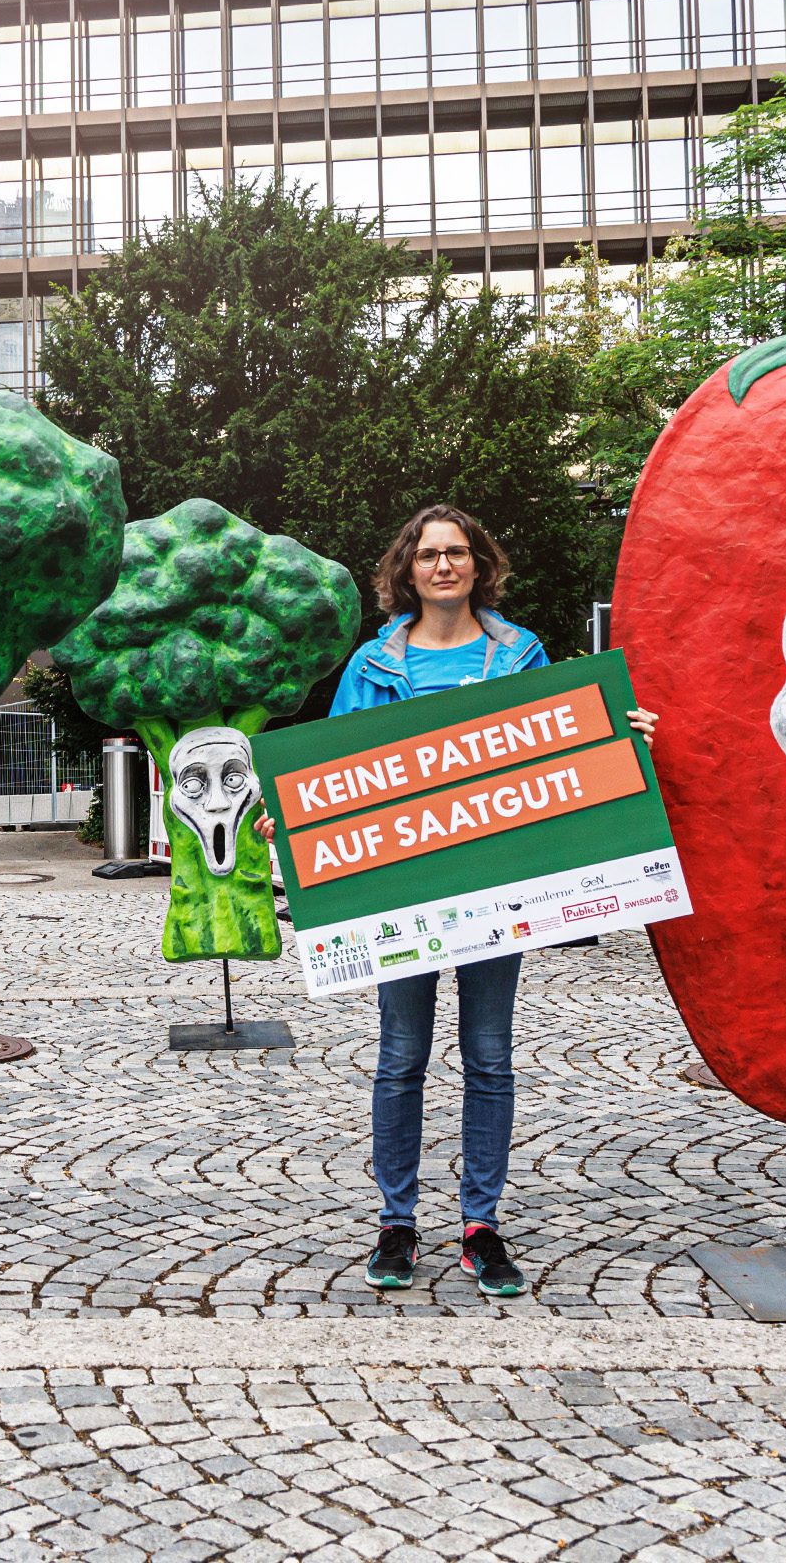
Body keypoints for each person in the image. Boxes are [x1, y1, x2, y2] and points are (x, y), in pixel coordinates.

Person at [277, 505, 653, 1300]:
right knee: (400, 1060)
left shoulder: (520, 655)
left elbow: (567, 747)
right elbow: (336, 779)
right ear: (406, 570)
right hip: (402, 896)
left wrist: (623, 735)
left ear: (480, 565)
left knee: (487, 1059)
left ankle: (481, 1226)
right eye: (428, 554)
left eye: (457, 553)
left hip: (496, 889)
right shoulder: (372, 665)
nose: (443, 565)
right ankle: (398, 1222)